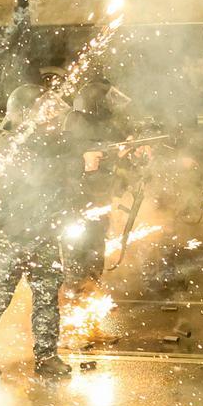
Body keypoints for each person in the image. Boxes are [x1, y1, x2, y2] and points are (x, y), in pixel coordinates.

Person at [0, 82, 96, 377]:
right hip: (14, 234)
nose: (49, 115)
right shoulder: (12, 143)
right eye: (42, 110)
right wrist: (80, 163)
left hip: (43, 232)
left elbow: (63, 149)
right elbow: (39, 173)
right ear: (24, 114)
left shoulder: (43, 139)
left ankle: (47, 357)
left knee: (47, 296)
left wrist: (98, 155)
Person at [63, 79, 136, 288]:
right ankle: (74, 288)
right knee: (77, 243)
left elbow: (121, 138)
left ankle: (91, 285)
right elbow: (70, 152)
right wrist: (93, 154)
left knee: (96, 241)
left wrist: (129, 146)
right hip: (77, 194)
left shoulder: (107, 122)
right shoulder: (75, 123)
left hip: (99, 192)